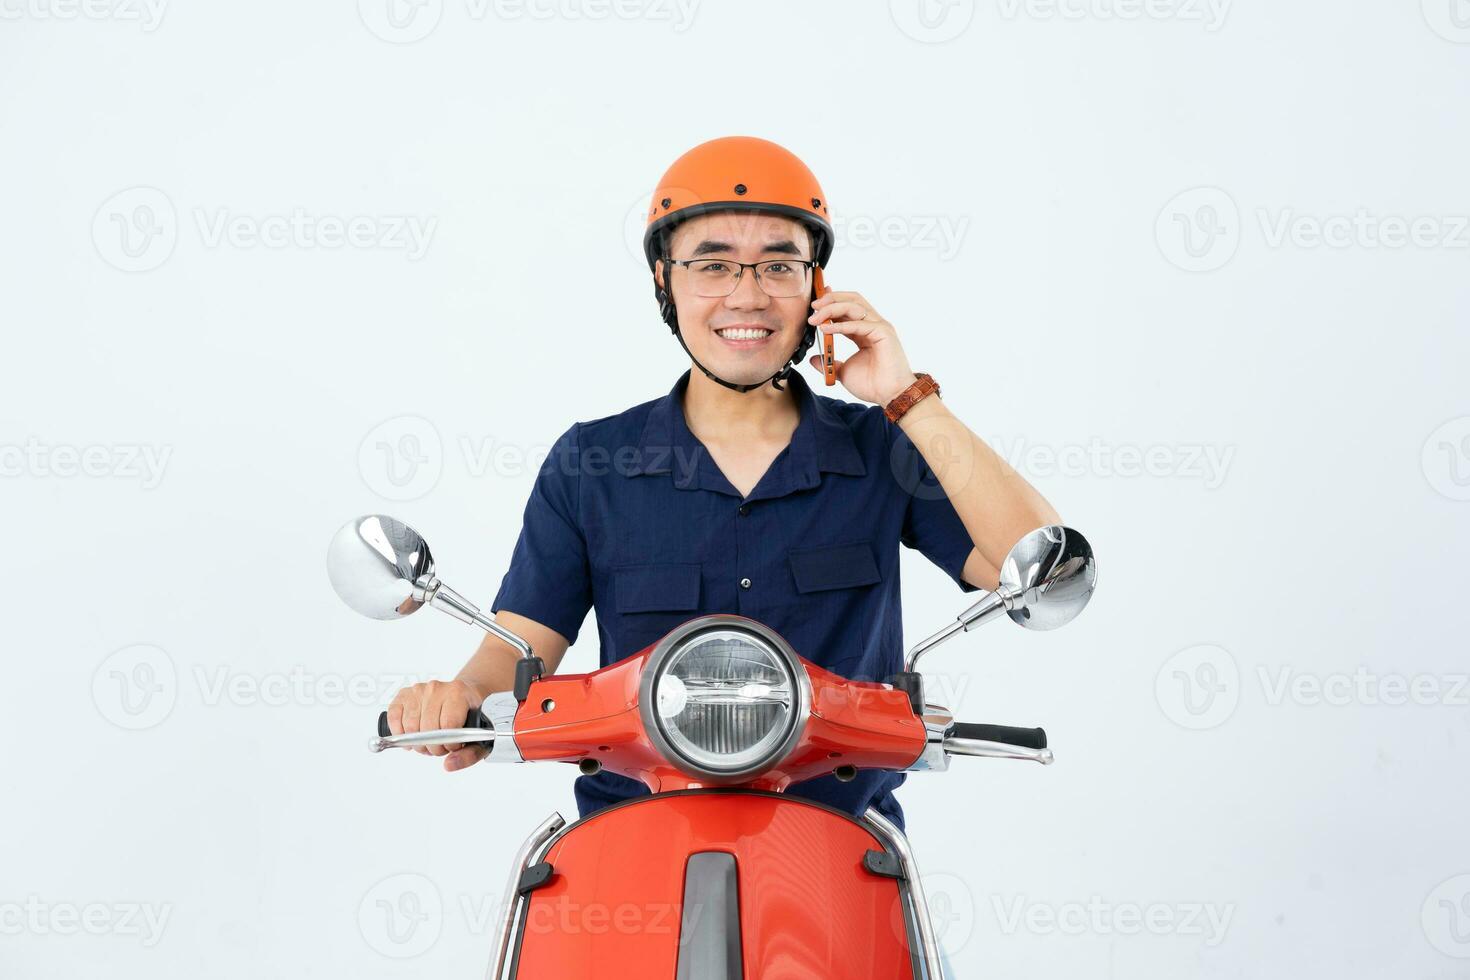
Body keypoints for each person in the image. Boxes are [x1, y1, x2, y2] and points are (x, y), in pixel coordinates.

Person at [382, 135, 1060, 835]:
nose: (748, 296)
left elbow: (1037, 561)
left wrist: (906, 396)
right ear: (662, 279)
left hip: (844, 859)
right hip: (630, 857)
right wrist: (459, 697)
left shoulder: (884, 446)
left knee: (907, 951)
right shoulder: (592, 463)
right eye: (713, 265)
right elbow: (515, 654)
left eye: (779, 265)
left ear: (817, 286)